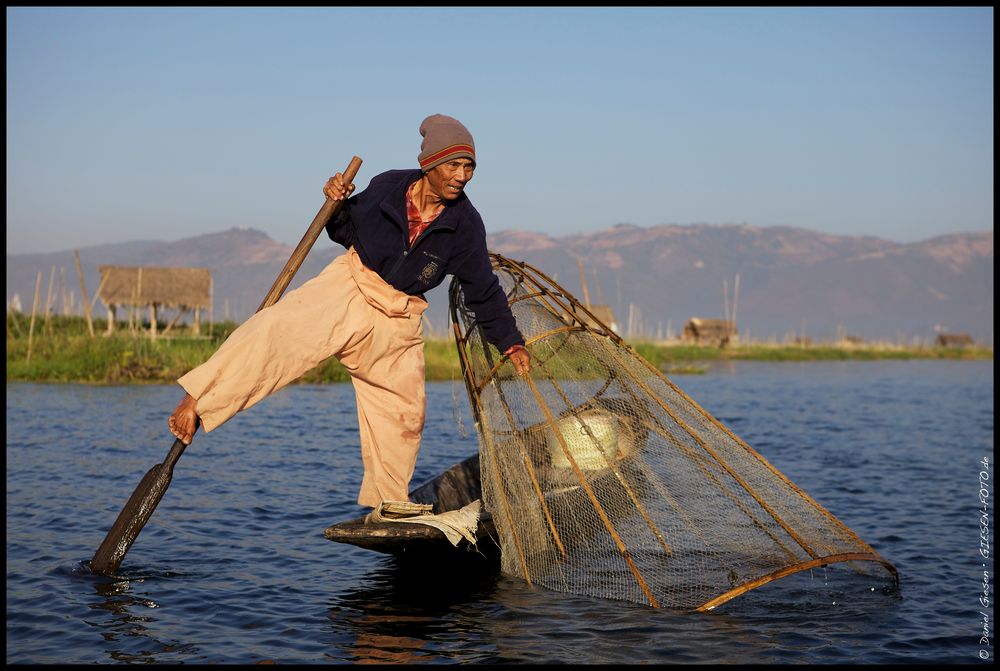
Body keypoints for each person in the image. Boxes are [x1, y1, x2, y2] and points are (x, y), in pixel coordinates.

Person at [167, 114, 530, 508]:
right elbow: (345, 230)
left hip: (399, 314)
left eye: (469, 167)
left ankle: (390, 505)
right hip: (350, 286)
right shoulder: (388, 187)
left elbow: (483, 290)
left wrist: (510, 343)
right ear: (429, 164)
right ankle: (198, 400)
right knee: (274, 331)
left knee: (403, 414)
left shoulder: (466, 225)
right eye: (454, 165)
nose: (462, 175)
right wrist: (335, 205)